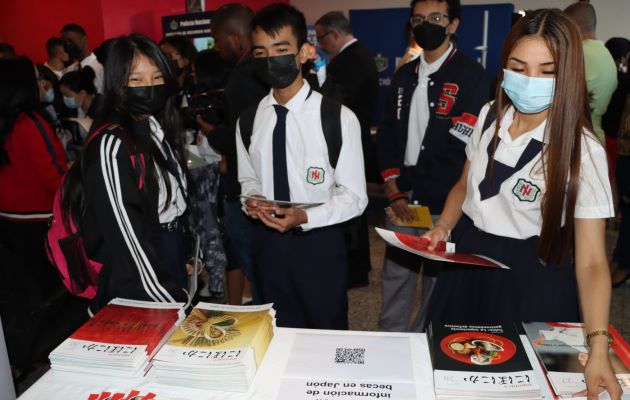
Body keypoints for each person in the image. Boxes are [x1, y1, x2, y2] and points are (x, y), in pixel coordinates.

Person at [419, 9, 621, 398]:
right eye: (519, 66)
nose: (531, 81)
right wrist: (444, 226)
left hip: (532, 276)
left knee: (520, 385)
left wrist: (598, 345)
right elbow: (464, 186)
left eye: (547, 71)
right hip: (469, 262)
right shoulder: (489, 115)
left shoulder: (582, 148)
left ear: (570, 74)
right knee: (452, 373)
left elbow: (594, 261)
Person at [238, 3, 367, 329]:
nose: (271, 60)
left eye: (281, 49)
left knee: (328, 333)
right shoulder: (250, 119)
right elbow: (247, 179)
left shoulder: (337, 118)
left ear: (305, 51)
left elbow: (355, 197)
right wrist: (251, 199)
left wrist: (305, 216)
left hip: (319, 245)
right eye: (261, 52)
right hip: (267, 244)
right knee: (276, 332)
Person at [376, 0, 489, 332]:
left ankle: (425, 344)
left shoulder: (471, 76)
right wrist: (393, 183)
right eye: (419, 19)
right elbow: (387, 134)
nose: (427, 24)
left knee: (438, 283)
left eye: (436, 18)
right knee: (397, 275)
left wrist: (412, 183)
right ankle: (391, 341)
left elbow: (461, 144)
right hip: (403, 197)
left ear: (452, 24)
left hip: (444, 201)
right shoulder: (403, 76)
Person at [60, 34, 189, 313]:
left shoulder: (154, 126)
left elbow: (172, 203)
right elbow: (127, 240)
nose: (150, 87)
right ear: (118, 83)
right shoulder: (112, 143)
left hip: (166, 255)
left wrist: (185, 252)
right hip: (137, 281)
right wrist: (170, 300)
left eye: (157, 78)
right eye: (137, 80)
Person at [0, 56, 69, 373]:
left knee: (24, 297)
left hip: (9, 221)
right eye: (36, 78)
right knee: (52, 299)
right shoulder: (32, 123)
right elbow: (55, 177)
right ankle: (48, 355)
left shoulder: (7, 120)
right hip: (40, 221)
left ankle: (26, 355)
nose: (43, 84)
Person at [204, 3, 269, 305]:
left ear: (234, 37)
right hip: (260, 183)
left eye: (217, 41)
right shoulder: (260, 71)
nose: (216, 48)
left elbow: (244, 136)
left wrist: (211, 131)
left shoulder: (244, 77)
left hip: (246, 189)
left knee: (255, 264)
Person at [315, 11, 378, 288]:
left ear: (335, 34)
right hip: (355, 137)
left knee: (350, 202)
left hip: (347, 140)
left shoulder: (348, 61)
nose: (320, 45)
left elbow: (336, 102)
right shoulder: (360, 55)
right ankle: (356, 266)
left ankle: (354, 268)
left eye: (321, 39)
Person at [185, 49, 229, 300]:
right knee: (204, 234)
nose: (192, 77)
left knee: (214, 235)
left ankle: (218, 287)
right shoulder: (202, 100)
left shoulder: (221, 104)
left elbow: (221, 147)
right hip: (202, 176)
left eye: (194, 72)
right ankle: (211, 282)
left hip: (214, 181)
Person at [564, 2, 617, 145]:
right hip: (596, 136)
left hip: (575, 137)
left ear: (572, 26)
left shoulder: (577, 54)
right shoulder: (607, 55)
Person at [60, 23, 104, 94]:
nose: (67, 45)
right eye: (64, 43)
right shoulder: (68, 70)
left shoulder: (100, 68)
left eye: (70, 41)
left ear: (84, 39)